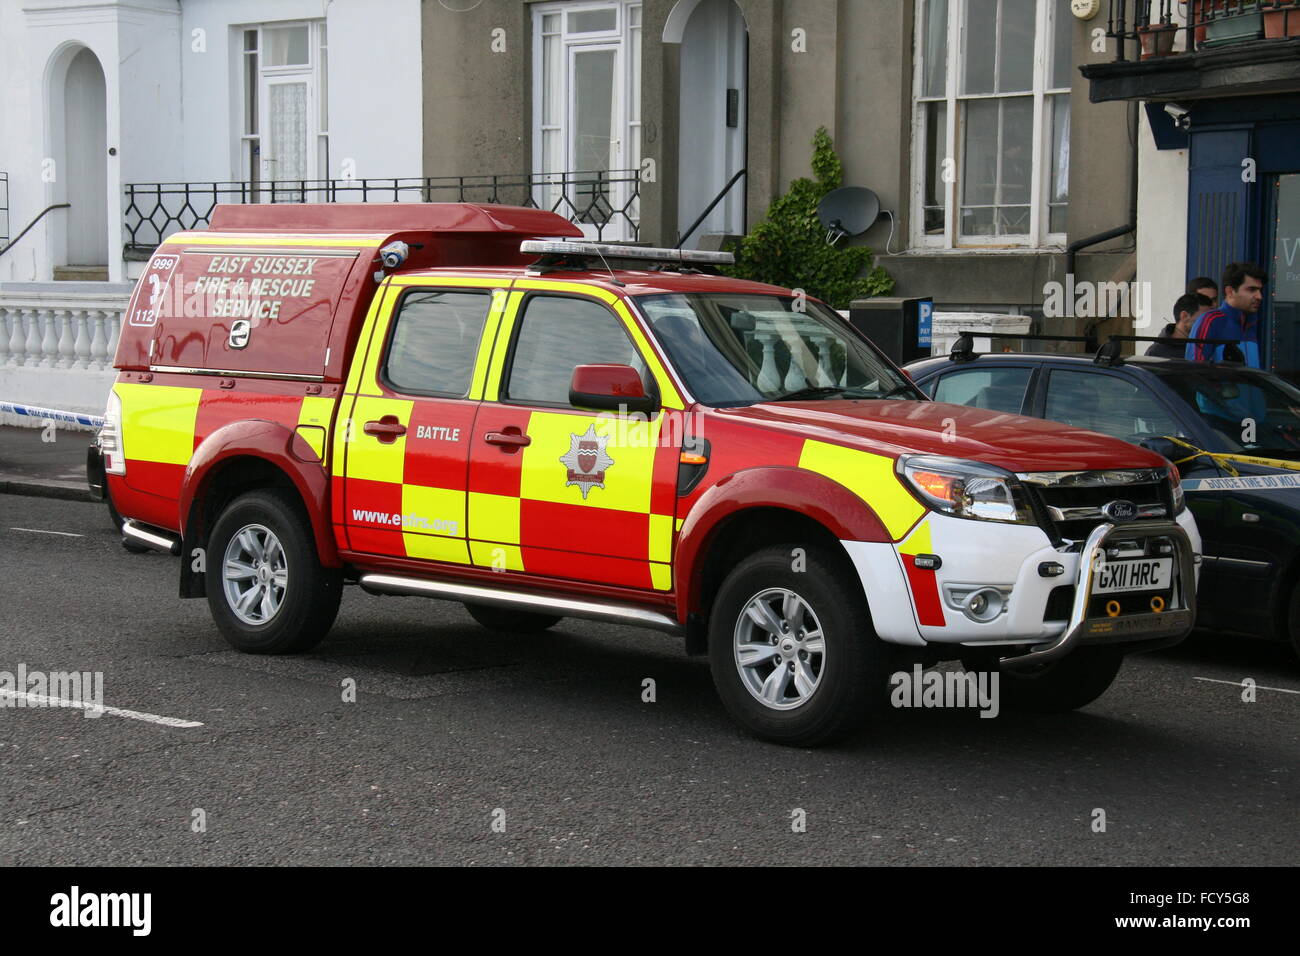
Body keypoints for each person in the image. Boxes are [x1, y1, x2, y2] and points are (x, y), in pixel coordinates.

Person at [1186, 262, 1266, 367]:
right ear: (1230, 291)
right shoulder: (1211, 321)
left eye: (1260, 290)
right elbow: (1194, 371)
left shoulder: (1255, 323)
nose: (1259, 296)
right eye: (1251, 289)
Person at [1146, 292, 1212, 358]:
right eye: (1204, 318)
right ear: (1184, 316)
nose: (1209, 323)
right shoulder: (1156, 352)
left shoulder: (1210, 345)